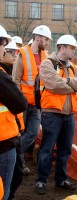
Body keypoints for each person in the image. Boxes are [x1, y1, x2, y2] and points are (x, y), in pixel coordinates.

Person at [35, 34, 77, 194]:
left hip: (69, 115)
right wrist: (73, 85)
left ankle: (61, 179)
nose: (74, 52)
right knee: (47, 148)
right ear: (62, 47)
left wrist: (68, 81)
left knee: (65, 149)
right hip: (52, 114)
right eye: (72, 48)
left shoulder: (72, 66)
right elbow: (54, 85)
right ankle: (41, 181)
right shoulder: (47, 64)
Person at [12, 25, 52, 175]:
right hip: (22, 103)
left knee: (33, 133)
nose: (48, 42)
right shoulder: (22, 53)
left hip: (37, 104)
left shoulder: (46, 56)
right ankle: (19, 165)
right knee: (20, 133)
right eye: (46, 39)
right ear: (37, 38)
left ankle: (12, 153)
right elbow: (15, 80)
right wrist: (17, 101)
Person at [0, 25, 28, 200]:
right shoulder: (1, 76)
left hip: (9, 137)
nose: (5, 51)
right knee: (3, 191)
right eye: (3, 45)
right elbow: (20, 103)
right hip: (3, 144)